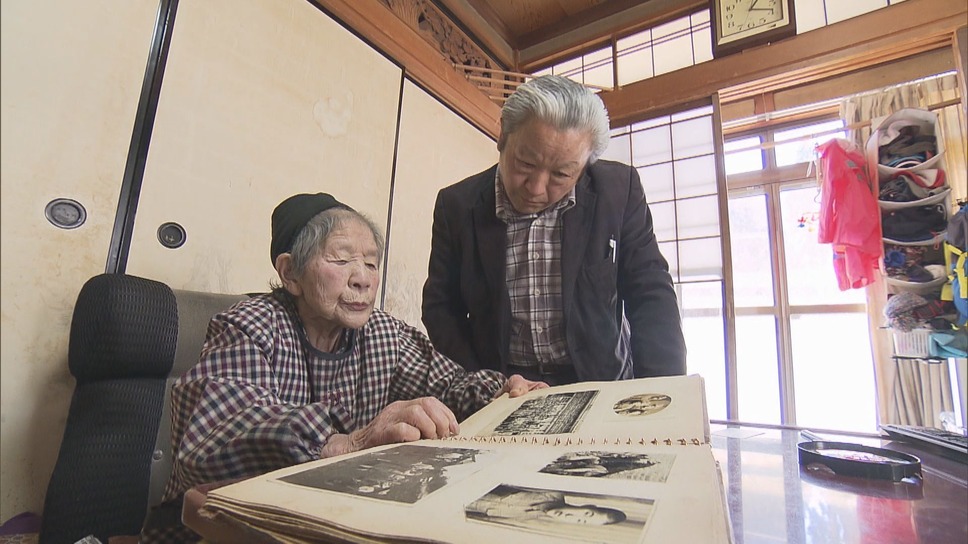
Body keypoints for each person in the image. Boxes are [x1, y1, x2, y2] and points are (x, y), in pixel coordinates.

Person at [143, 193, 546, 542]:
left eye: (371, 264)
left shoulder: (381, 331)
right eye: (341, 259)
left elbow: (450, 383)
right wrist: (349, 443)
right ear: (291, 273)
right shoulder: (251, 324)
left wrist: (503, 390)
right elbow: (218, 431)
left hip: (324, 521)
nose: (363, 280)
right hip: (217, 528)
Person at [422, 74, 686, 386]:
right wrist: (478, 384)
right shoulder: (457, 205)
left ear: (586, 164)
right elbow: (441, 306)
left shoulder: (618, 191)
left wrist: (663, 391)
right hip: (505, 387)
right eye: (525, 164)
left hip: (598, 379)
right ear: (503, 134)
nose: (536, 188)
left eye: (561, 174)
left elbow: (650, 289)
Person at [466, 485, 626, 526]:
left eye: (580, 521)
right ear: (588, 505)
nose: (571, 516)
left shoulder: (525, 519)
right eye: (586, 514)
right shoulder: (550, 490)